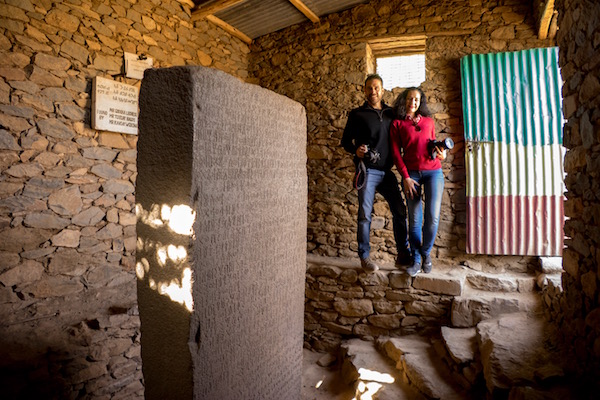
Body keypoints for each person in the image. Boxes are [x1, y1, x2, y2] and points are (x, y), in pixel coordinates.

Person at [342, 74, 410, 272]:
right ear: (364, 90)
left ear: (382, 90)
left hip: (387, 171)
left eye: (376, 88)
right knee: (365, 215)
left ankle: (403, 255)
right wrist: (355, 150)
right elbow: (345, 141)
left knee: (400, 211)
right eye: (369, 88)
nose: (373, 91)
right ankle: (364, 257)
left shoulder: (391, 113)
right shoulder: (357, 114)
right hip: (367, 170)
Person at [389, 87, 447, 277]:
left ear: (420, 102)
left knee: (433, 217)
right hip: (411, 175)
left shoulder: (429, 121)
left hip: (433, 173)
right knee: (414, 220)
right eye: (409, 99)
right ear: (403, 100)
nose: (412, 102)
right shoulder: (397, 124)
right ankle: (415, 258)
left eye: (416, 99)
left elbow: (433, 145)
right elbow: (396, 154)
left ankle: (425, 253)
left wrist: (442, 153)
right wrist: (405, 177)